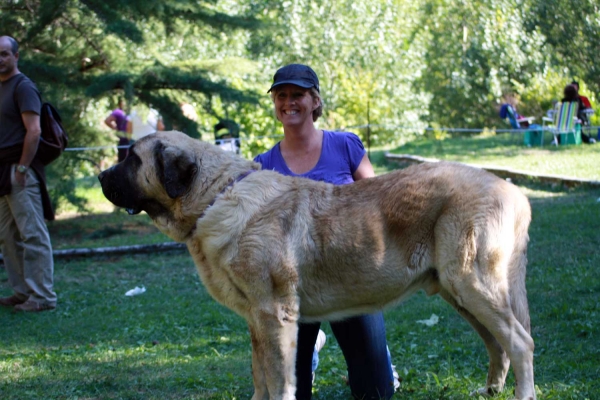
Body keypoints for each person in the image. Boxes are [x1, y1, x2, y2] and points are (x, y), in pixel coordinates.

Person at [253, 64, 397, 400]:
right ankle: (310, 341)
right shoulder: (264, 165)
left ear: (315, 101)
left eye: (298, 95)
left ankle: (375, 359)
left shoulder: (345, 146)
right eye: (281, 95)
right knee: (289, 392)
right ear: (275, 103)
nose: (289, 102)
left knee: (377, 392)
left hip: (352, 281)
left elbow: (380, 202)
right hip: (294, 289)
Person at [0, 35, 57, 312]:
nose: (0, 59)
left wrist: (22, 168)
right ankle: (22, 292)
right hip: (2, 173)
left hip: (19, 171)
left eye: (4, 54)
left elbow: (34, 131)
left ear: (16, 56)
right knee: (7, 235)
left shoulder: (23, 87)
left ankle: (43, 297)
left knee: (32, 234)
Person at [104, 98, 130, 162]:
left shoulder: (130, 112)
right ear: (120, 103)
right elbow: (107, 120)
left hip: (132, 139)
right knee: (123, 161)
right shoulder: (117, 112)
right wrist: (115, 128)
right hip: (123, 139)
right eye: (124, 102)